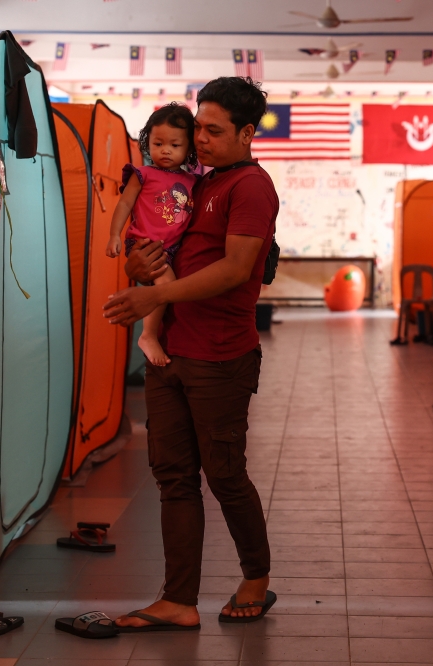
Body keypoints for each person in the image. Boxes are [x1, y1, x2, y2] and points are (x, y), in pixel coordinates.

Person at [102, 77, 279, 630]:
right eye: (197, 127)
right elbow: (159, 242)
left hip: (220, 356)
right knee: (173, 476)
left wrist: (155, 296)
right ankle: (178, 600)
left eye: (214, 131)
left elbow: (235, 269)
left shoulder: (251, 187)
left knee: (224, 474)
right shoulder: (194, 181)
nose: (199, 139)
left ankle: (256, 578)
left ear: (247, 133)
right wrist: (138, 267)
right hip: (170, 353)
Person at [105, 103, 197, 367]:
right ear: (148, 143)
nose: (165, 150)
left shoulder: (193, 182)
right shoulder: (143, 174)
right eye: (158, 144)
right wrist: (114, 235)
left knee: (171, 286)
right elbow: (124, 204)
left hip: (172, 248)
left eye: (175, 145)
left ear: (189, 148)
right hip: (145, 244)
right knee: (167, 284)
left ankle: (155, 333)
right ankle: (147, 335)